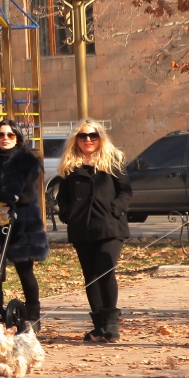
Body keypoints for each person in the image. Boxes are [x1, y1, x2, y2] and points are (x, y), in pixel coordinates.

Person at [57, 119, 132, 342]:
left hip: (110, 226)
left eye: (93, 135)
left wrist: (115, 208)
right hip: (82, 228)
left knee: (105, 270)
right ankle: (99, 327)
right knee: (90, 277)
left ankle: (111, 326)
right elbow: (63, 198)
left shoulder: (112, 160)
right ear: (76, 140)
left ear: (100, 137)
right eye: (82, 136)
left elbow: (125, 191)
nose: (87, 140)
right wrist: (68, 214)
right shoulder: (70, 165)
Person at [0, 119, 48, 331]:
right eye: (0, 134)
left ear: (17, 138)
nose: (5, 138)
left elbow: (30, 194)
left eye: (10, 135)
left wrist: (13, 198)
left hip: (22, 223)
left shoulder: (27, 161)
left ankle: (33, 316)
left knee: (25, 272)